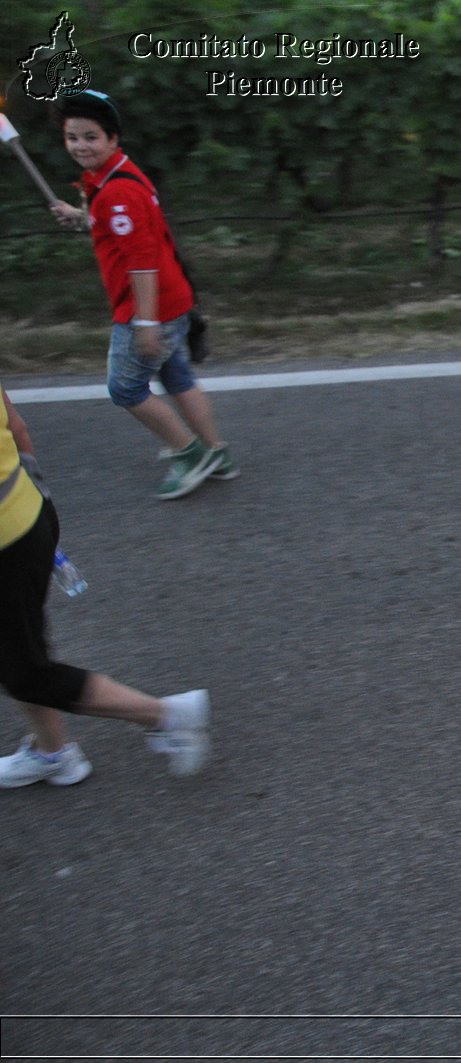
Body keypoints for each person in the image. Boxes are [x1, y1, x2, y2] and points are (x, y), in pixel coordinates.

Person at [0, 385, 210, 787]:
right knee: (18, 650)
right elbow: (18, 428)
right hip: (29, 514)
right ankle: (53, 753)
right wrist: (35, 508)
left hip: (6, 547)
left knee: (27, 671)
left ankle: (167, 717)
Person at [46, 89, 237, 499]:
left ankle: (189, 454)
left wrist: (145, 324)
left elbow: (142, 261)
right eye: (72, 137)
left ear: (113, 138)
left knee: (126, 389)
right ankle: (217, 453)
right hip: (175, 298)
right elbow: (118, 226)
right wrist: (80, 216)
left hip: (149, 307)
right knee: (178, 377)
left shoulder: (118, 191)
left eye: (91, 137)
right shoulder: (114, 175)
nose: (80, 146)